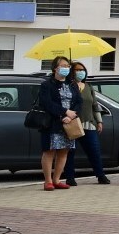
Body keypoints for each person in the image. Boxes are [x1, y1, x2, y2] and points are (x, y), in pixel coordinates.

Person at [62, 62, 110, 186]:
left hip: (89, 124)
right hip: (72, 124)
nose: (80, 72)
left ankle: (100, 175)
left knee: (94, 151)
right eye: (77, 70)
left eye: (82, 70)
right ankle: (70, 178)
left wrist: (99, 121)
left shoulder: (88, 86)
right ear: (72, 71)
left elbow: (95, 105)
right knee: (70, 152)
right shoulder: (67, 86)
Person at [38, 56, 80, 190]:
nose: (66, 68)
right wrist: (63, 112)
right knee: (49, 151)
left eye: (68, 66)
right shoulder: (47, 84)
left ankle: (57, 179)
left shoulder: (72, 84)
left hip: (69, 122)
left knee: (64, 152)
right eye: (63, 66)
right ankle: (48, 181)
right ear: (55, 68)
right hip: (53, 122)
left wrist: (72, 115)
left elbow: (79, 102)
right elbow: (47, 103)